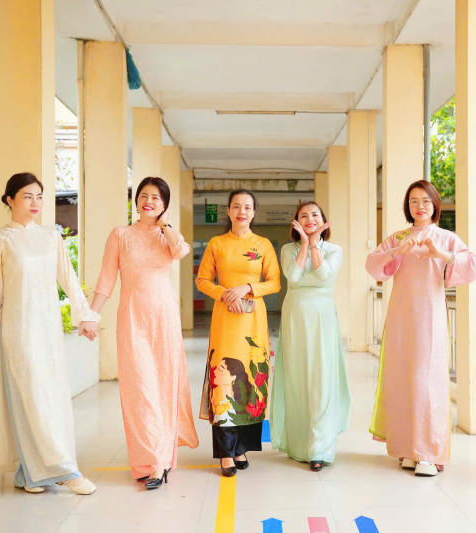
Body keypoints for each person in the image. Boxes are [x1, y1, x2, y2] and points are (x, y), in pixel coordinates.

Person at [0, 172, 99, 495]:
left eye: (40, 197)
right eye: (27, 196)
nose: (35, 203)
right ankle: (65, 471)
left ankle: (30, 474)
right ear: (10, 200)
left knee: (50, 398)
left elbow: (69, 279)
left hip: (48, 330)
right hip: (18, 331)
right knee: (31, 396)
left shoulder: (50, 236)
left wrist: (85, 315)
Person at [365, 180, 476, 477]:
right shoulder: (398, 238)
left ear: (435, 204)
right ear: (408, 206)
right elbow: (373, 265)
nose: (420, 206)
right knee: (402, 379)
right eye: (414, 201)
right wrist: (398, 251)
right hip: (401, 317)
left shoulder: (446, 238)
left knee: (427, 381)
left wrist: (440, 254)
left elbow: (473, 266)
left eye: (426, 201)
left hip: (430, 317)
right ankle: (407, 449)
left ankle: (428, 452)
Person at [90, 177, 199, 489]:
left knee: (164, 388)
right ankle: (149, 459)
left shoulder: (168, 235)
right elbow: (107, 278)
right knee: (139, 389)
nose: (148, 201)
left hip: (164, 320)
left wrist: (165, 225)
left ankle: (159, 462)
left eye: (156, 197)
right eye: (143, 195)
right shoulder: (120, 234)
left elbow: (181, 251)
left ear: (164, 205)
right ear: (135, 200)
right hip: (132, 319)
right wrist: (91, 315)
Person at [195, 189, 281, 477]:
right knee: (223, 380)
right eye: (236, 206)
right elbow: (202, 280)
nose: (241, 211)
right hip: (225, 320)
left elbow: (275, 282)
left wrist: (248, 288)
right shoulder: (217, 243)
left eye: (247, 207)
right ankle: (225, 453)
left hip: (253, 321)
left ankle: (241, 448)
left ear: (253, 212)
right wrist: (225, 294)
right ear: (228, 211)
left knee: (249, 382)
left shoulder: (263, 244)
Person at [270, 201, 351, 471]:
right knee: (297, 379)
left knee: (321, 379)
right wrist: (304, 245)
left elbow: (324, 275)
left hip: (322, 317)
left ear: (323, 220)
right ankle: (299, 445)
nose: (309, 219)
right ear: (296, 222)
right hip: (295, 317)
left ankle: (320, 448)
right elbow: (292, 276)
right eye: (303, 215)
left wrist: (314, 245)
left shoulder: (334, 250)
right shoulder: (288, 249)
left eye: (314, 214)